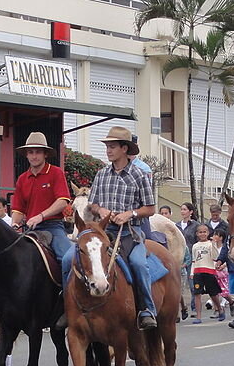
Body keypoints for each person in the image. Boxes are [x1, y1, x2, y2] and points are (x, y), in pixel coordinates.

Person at [62, 126, 158, 329]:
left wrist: (129, 214)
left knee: (138, 263)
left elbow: (150, 208)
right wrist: (101, 210)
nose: (108, 150)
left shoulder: (140, 175)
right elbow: (92, 205)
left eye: (112, 146)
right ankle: (66, 307)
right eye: (107, 147)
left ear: (125, 148)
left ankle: (147, 309)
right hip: (101, 233)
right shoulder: (101, 175)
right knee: (68, 259)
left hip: (130, 233)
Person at [10, 131, 72, 262]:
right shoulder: (22, 179)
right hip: (29, 228)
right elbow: (18, 209)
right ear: (26, 155)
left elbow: (63, 201)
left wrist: (40, 216)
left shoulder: (56, 173)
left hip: (53, 226)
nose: (34, 156)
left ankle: (69, 283)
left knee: (68, 258)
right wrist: (14, 224)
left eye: (38, 152)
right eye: (31, 152)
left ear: (45, 154)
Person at [189, 224, 222, 324]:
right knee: (197, 293)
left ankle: (220, 309)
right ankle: (198, 316)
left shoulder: (210, 244)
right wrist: (192, 272)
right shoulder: (195, 246)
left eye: (204, 232)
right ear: (197, 234)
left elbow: (215, 256)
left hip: (209, 270)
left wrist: (214, 244)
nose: (202, 234)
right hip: (198, 272)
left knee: (213, 293)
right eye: (200, 232)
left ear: (208, 233)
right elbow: (194, 260)